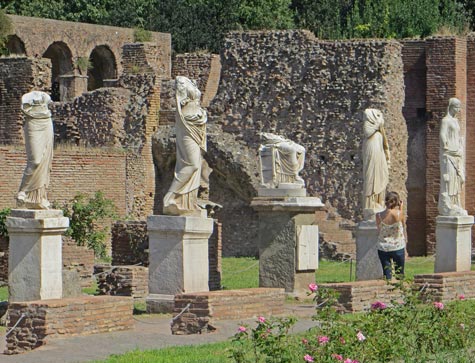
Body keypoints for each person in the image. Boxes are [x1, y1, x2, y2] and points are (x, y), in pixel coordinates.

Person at [163, 76, 207, 215]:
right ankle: (169, 197)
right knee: (191, 164)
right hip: (187, 124)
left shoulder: (191, 82)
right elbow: (179, 102)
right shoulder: (181, 81)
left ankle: (189, 202)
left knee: (197, 166)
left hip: (197, 124)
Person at [17, 91, 54, 209]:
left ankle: (40, 197)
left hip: (47, 122)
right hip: (33, 123)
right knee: (36, 160)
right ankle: (23, 191)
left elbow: (51, 102)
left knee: (44, 160)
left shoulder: (45, 97)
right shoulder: (26, 99)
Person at [438, 98, 467, 216]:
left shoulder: (456, 121)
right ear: (450, 107)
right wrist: (445, 145)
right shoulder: (446, 120)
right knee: (449, 179)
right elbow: (442, 133)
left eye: (459, 107)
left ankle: (456, 203)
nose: (458, 110)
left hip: (457, 153)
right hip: (449, 153)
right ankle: (448, 204)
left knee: (459, 179)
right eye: (456, 107)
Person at [362, 108, 390, 212]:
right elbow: (367, 132)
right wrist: (377, 123)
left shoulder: (379, 134)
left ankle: (379, 201)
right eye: (377, 115)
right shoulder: (370, 131)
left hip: (379, 156)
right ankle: (370, 204)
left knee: (381, 174)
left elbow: (384, 147)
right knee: (371, 176)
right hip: (371, 154)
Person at [376, 191, 406, 280]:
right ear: (397, 202)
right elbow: (403, 224)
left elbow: (379, 229)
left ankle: (387, 291)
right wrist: (401, 208)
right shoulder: (399, 213)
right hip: (397, 246)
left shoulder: (378, 215)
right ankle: (400, 290)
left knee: (387, 275)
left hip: (383, 247)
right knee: (399, 273)